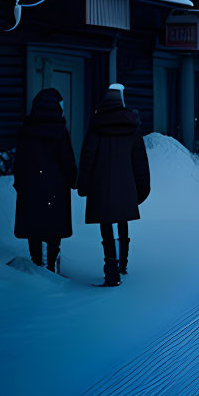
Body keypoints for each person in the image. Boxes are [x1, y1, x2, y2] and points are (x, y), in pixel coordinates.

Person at [78, 84, 150, 287]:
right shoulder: (132, 126)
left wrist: (83, 185)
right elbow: (139, 160)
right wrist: (142, 186)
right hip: (126, 185)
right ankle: (123, 263)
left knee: (106, 225)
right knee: (122, 220)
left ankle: (110, 268)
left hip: (101, 185)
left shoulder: (96, 124)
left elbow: (87, 157)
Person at [13, 88, 77, 273]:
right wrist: (72, 180)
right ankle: (50, 264)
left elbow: (20, 160)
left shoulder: (27, 131)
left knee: (34, 225)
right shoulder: (60, 132)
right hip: (55, 186)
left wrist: (19, 183)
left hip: (31, 185)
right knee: (53, 226)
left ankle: (36, 263)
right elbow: (67, 160)